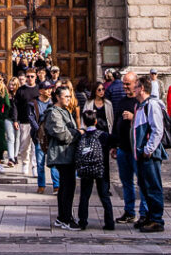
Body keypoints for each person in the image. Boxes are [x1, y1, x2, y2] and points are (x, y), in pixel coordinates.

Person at [111, 70, 148, 226]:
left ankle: (145, 213)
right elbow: (115, 124)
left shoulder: (142, 103)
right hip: (123, 148)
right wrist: (113, 144)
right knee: (126, 182)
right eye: (124, 83)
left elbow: (149, 125)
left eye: (128, 84)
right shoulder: (121, 101)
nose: (125, 86)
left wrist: (134, 118)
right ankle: (129, 211)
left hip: (137, 149)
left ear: (136, 85)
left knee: (142, 182)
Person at [132, 73, 167, 232]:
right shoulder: (139, 106)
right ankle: (148, 216)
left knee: (153, 186)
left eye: (135, 86)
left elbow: (157, 130)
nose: (132, 89)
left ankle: (156, 219)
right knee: (145, 186)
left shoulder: (151, 105)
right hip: (140, 154)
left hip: (149, 155)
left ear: (141, 89)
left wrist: (148, 149)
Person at [43, 84, 79, 229]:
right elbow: (60, 132)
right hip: (61, 154)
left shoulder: (65, 110)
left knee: (66, 186)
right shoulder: (54, 112)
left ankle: (62, 216)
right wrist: (77, 134)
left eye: (70, 97)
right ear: (57, 97)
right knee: (67, 186)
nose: (69, 99)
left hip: (68, 153)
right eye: (66, 97)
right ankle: (66, 218)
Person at [76, 110, 115, 231]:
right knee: (104, 196)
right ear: (96, 121)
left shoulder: (82, 136)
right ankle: (109, 223)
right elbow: (114, 142)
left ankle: (82, 221)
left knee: (84, 196)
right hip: (101, 169)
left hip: (86, 169)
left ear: (84, 123)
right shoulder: (103, 136)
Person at [29, 81, 59, 194]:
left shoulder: (54, 103)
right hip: (39, 137)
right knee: (40, 162)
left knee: (53, 162)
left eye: (50, 88)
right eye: (47, 89)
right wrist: (38, 131)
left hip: (52, 136)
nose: (49, 91)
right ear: (41, 91)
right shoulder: (33, 103)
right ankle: (41, 185)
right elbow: (31, 119)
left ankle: (56, 185)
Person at [14, 68, 39, 176]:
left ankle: (35, 166)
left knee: (35, 146)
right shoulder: (21, 90)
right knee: (24, 145)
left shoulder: (39, 89)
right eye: (28, 76)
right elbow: (15, 106)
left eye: (32, 76)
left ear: (35, 77)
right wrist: (15, 119)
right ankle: (25, 163)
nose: (29, 79)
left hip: (37, 123)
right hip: (24, 121)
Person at [4, 77, 20, 166]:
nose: (11, 86)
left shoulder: (19, 95)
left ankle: (15, 155)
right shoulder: (6, 94)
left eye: (13, 85)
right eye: (10, 84)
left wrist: (16, 120)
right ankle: (11, 158)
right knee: (10, 138)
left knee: (17, 138)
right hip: (8, 118)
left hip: (18, 119)